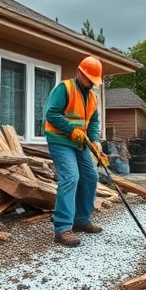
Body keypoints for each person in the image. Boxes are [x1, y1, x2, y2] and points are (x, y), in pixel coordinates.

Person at [43, 56, 109, 247]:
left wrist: (95, 141)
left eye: (94, 81)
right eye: (89, 79)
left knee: (90, 176)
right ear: (80, 73)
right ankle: (62, 228)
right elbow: (51, 113)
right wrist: (71, 130)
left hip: (80, 143)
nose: (91, 84)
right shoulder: (65, 88)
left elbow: (94, 121)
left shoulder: (93, 97)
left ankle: (80, 220)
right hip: (60, 140)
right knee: (71, 177)